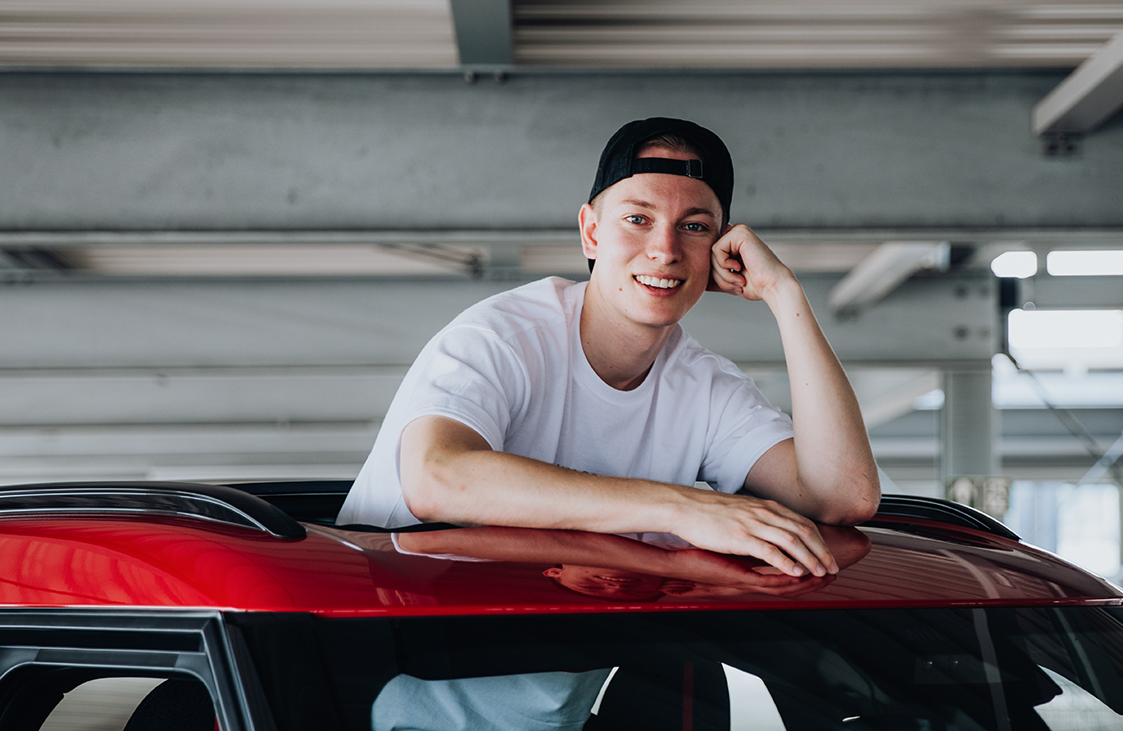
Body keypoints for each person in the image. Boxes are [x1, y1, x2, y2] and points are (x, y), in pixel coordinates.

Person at [337, 117, 879, 578]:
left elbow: (843, 497)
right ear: (591, 232)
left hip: (553, 662)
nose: (664, 249)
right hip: (384, 653)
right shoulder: (502, 337)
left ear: (721, 248)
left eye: (694, 226)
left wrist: (784, 293)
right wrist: (682, 507)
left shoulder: (704, 387)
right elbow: (437, 476)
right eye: (638, 219)